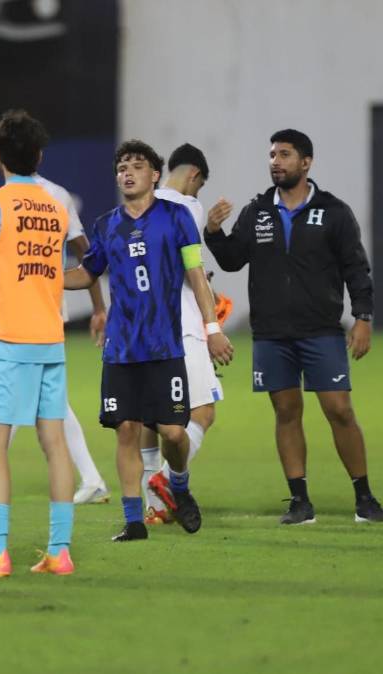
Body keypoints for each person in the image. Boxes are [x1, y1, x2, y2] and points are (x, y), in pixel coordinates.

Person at [204, 128, 383, 525]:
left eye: (285, 154)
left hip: (321, 329)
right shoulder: (257, 212)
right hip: (272, 333)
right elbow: (233, 260)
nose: (276, 161)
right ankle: (300, 501)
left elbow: (356, 267)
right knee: (286, 411)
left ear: (306, 163)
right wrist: (214, 233)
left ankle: (364, 497)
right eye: (272, 154)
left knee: (338, 410)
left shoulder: (334, 211)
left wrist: (363, 317)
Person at [63, 139, 233, 542]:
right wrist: (42, 277)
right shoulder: (106, 225)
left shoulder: (176, 217)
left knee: (174, 432)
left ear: (154, 175)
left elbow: (195, 274)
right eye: (122, 166)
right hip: (122, 348)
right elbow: (87, 274)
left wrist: (212, 330)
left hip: (165, 345)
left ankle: (178, 484)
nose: (127, 171)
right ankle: (134, 520)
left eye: (137, 165)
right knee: (126, 428)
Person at [0, 110, 77, 579]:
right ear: (39, 156)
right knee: (55, 442)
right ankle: (59, 552)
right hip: (50, 336)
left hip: (5, 335)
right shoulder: (56, 208)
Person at [0, 172, 110, 506]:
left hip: (30, 315)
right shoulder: (36, 197)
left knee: (21, 399)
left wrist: (98, 307)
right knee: (42, 400)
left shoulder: (48, 196)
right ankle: (91, 481)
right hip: (34, 316)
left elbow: (85, 253)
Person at [140, 143, 225, 524]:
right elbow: (189, 269)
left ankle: (154, 507)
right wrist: (213, 324)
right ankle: (166, 481)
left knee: (149, 418)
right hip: (184, 326)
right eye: (200, 186)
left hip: (141, 328)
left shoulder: (139, 202)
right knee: (202, 412)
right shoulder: (186, 207)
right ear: (194, 176)